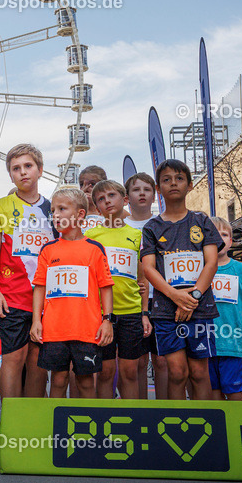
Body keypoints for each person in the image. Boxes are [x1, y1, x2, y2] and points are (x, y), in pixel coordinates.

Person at [140, 159, 223, 401]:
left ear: (189, 185)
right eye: (166, 180)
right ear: (159, 188)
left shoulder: (202, 221)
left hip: (200, 307)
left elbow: (211, 262)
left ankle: (207, 423)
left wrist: (193, 296)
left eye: (179, 178)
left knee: (199, 372)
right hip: (167, 310)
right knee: (177, 372)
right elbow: (149, 269)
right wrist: (176, 296)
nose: (173, 183)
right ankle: (178, 425)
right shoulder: (151, 227)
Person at [0, 143, 56, 409]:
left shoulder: (53, 208)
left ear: (39, 170)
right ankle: (11, 424)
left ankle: (33, 421)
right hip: (11, 295)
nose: (23, 172)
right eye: (16, 168)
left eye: (28, 166)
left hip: (47, 298)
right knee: (13, 358)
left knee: (38, 361)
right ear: (10, 175)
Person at [31, 187, 114, 399]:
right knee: (58, 380)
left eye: (62, 209)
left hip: (87, 329)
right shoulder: (47, 250)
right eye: (53, 210)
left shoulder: (95, 249)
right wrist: (36, 321)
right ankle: (54, 429)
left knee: (86, 383)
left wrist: (107, 321)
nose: (56, 215)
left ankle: (90, 431)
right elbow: (39, 287)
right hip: (54, 329)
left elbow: (106, 286)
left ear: (80, 214)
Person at [85, 180, 148, 399]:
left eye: (111, 195)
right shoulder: (91, 237)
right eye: (100, 199)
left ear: (125, 199)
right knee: (105, 372)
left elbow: (143, 280)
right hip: (102, 315)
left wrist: (144, 314)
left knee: (130, 371)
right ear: (97, 207)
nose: (107, 201)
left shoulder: (138, 235)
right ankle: (104, 421)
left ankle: (132, 420)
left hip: (131, 312)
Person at [208, 217, 242, 400]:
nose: (219, 238)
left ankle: (238, 426)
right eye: (214, 233)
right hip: (205, 344)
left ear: (231, 241)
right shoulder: (199, 269)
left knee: (233, 391)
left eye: (224, 234)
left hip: (232, 343)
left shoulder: (241, 270)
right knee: (212, 391)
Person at [124, 171, 166, 399]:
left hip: (161, 300)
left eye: (147, 189)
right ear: (127, 196)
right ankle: (139, 410)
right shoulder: (120, 225)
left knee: (162, 360)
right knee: (137, 362)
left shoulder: (164, 223)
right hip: (131, 303)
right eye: (136, 189)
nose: (142, 194)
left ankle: (163, 410)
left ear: (154, 194)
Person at [78, 165, 108, 233]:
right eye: (82, 184)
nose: (86, 188)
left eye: (92, 184)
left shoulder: (111, 209)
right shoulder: (75, 211)